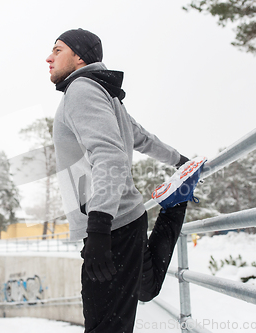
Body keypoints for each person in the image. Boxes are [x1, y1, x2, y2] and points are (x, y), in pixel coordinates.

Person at [47, 28, 190, 333]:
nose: (49, 58)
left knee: (106, 326)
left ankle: (175, 204)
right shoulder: (103, 92)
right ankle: (175, 204)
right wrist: (179, 161)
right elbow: (141, 138)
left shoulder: (81, 90)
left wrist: (98, 228)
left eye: (58, 50)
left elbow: (109, 155)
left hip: (108, 225)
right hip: (129, 217)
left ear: (79, 56)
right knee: (144, 287)